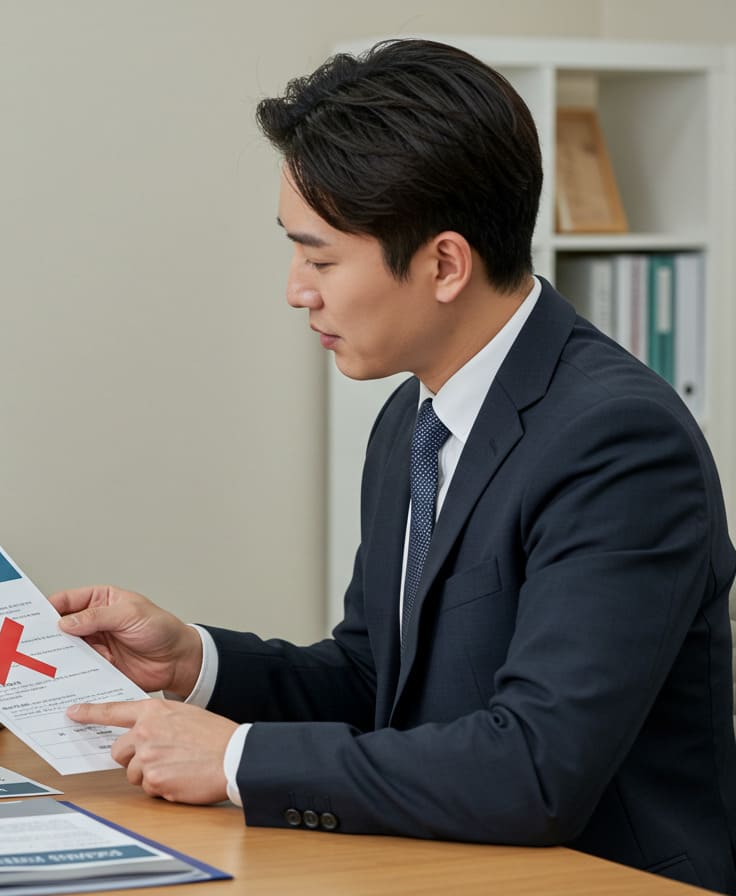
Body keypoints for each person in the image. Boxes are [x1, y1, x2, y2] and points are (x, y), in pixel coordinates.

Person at [52, 39, 736, 892]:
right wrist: (196, 664)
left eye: (322, 257)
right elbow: (379, 681)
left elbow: (536, 767)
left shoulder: (619, 442)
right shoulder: (413, 419)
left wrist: (237, 759)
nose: (297, 289)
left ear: (445, 263)